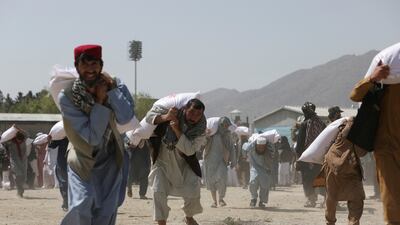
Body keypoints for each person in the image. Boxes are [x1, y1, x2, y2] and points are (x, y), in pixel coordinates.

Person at [59, 44, 134, 225]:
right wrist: (100, 102)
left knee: (106, 211)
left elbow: (126, 118)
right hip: (81, 157)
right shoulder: (68, 96)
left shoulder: (116, 85)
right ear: (77, 67)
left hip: (110, 158)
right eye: (85, 64)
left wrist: (112, 90)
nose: (90, 69)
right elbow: (92, 137)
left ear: (101, 65)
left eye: (94, 64)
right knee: (81, 205)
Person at [350, 59, 400, 224]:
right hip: (386, 147)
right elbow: (355, 95)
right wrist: (372, 78)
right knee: (391, 199)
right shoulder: (381, 85)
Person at [147, 99, 207, 225]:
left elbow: (190, 151)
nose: (194, 117)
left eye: (198, 115)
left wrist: (176, 130)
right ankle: (161, 221)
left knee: (193, 190)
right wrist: (166, 117)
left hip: (185, 163)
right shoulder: (172, 113)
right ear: (185, 109)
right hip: (162, 160)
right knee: (158, 191)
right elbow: (149, 117)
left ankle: (189, 216)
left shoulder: (200, 129)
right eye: (191, 112)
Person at [322, 117, 367, 225]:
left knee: (332, 196)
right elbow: (361, 152)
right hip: (343, 166)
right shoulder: (353, 128)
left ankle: (330, 222)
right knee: (355, 197)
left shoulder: (343, 128)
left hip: (334, 164)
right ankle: (352, 221)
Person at [295, 102, 326, 207]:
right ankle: (325, 199)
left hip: (307, 156)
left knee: (307, 178)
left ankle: (311, 199)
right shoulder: (321, 123)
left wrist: (299, 156)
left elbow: (299, 143)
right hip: (320, 156)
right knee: (320, 177)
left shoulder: (304, 124)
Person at [203, 117, 236, 208]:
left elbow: (231, 147)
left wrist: (233, 160)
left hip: (222, 159)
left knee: (222, 178)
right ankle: (214, 201)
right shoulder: (211, 133)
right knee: (211, 180)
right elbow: (202, 143)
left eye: (227, 126)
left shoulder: (227, 134)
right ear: (220, 125)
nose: (226, 127)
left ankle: (221, 199)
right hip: (209, 159)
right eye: (224, 125)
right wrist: (206, 135)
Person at [244, 136, 273, 208]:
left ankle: (262, 201)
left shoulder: (268, 150)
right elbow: (245, 147)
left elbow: (273, 152)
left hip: (265, 169)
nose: (261, 149)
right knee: (252, 182)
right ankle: (253, 199)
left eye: (263, 147)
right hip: (255, 168)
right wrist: (254, 142)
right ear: (256, 145)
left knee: (265, 186)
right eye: (259, 147)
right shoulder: (252, 148)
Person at [2, 128, 28, 198]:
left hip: (23, 161)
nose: (20, 141)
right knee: (18, 175)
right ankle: (19, 190)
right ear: (15, 138)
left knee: (23, 176)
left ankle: (20, 189)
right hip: (14, 161)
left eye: (21, 141)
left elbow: (26, 134)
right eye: (18, 140)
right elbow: (3, 141)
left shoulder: (23, 140)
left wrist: (18, 128)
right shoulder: (10, 142)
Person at [50, 137, 69, 211]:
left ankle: (66, 201)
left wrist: (51, 139)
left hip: (62, 162)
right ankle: (67, 201)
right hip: (72, 160)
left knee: (63, 182)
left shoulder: (61, 136)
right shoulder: (78, 133)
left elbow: (52, 145)